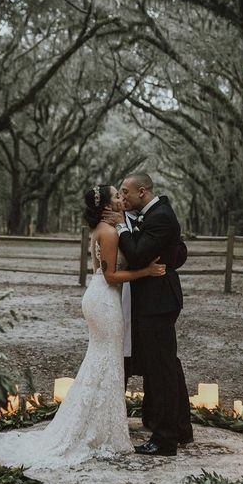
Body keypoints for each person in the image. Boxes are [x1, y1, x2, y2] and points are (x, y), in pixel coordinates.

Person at [0, 185, 165, 469]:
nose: (121, 199)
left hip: (102, 297)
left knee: (105, 359)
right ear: (105, 205)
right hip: (104, 299)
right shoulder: (106, 232)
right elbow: (111, 275)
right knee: (105, 358)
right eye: (116, 196)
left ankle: (102, 425)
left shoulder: (107, 228)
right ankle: (93, 429)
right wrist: (146, 271)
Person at [105, 172, 193, 457]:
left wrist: (121, 228)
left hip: (158, 303)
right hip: (151, 301)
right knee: (164, 367)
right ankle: (177, 427)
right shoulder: (152, 213)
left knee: (162, 370)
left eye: (126, 193)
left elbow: (140, 253)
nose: (123, 198)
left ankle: (166, 439)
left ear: (141, 192)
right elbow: (178, 250)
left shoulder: (160, 215)